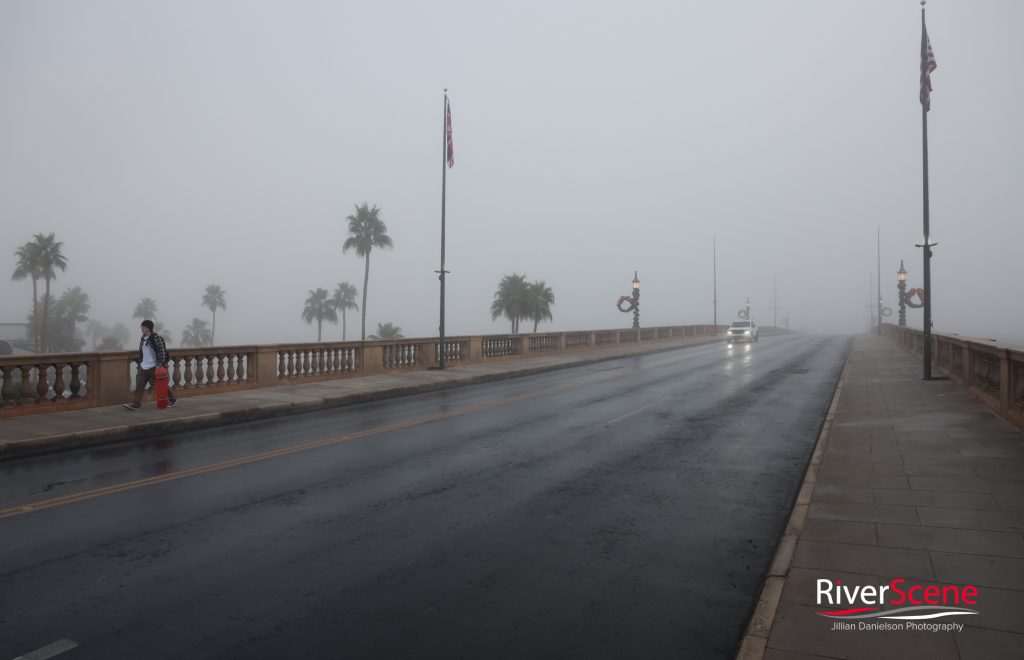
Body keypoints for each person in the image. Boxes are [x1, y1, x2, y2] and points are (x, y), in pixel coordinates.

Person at [123, 320, 176, 410]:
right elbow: (142, 351)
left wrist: (160, 364)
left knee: (160, 385)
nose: (141, 329)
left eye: (143, 327)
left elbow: (161, 351)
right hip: (143, 366)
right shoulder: (143, 338)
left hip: (154, 367)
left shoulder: (156, 338)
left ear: (148, 328)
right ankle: (136, 404)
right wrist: (141, 362)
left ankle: (173, 399)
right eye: (141, 327)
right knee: (139, 385)